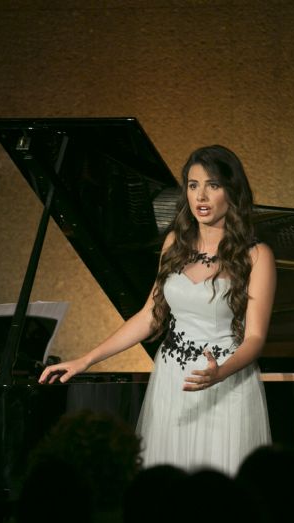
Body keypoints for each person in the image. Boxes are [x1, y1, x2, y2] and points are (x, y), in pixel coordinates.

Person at [39, 145, 276, 474]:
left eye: (213, 185)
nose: (201, 196)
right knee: (168, 488)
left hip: (225, 381)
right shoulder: (174, 244)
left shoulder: (256, 255)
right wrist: (85, 359)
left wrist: (220, 372)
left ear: (232, 190)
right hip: (172, 379)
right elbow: (151, 316)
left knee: (218, 489)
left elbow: (255, 338)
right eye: (193, 185)